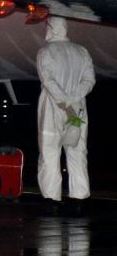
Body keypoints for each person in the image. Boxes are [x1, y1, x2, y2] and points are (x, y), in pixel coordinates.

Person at [36, 16, 95, 216]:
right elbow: (89, 80)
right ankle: (79, 198)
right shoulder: (82, 51)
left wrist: (63, 101)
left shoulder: (45, 52)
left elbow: (48, 80)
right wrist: (74, 99)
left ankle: (51, 199)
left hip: (53, 107)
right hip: (78, 108)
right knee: (78, 152)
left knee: (50, 152)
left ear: (52, 29)